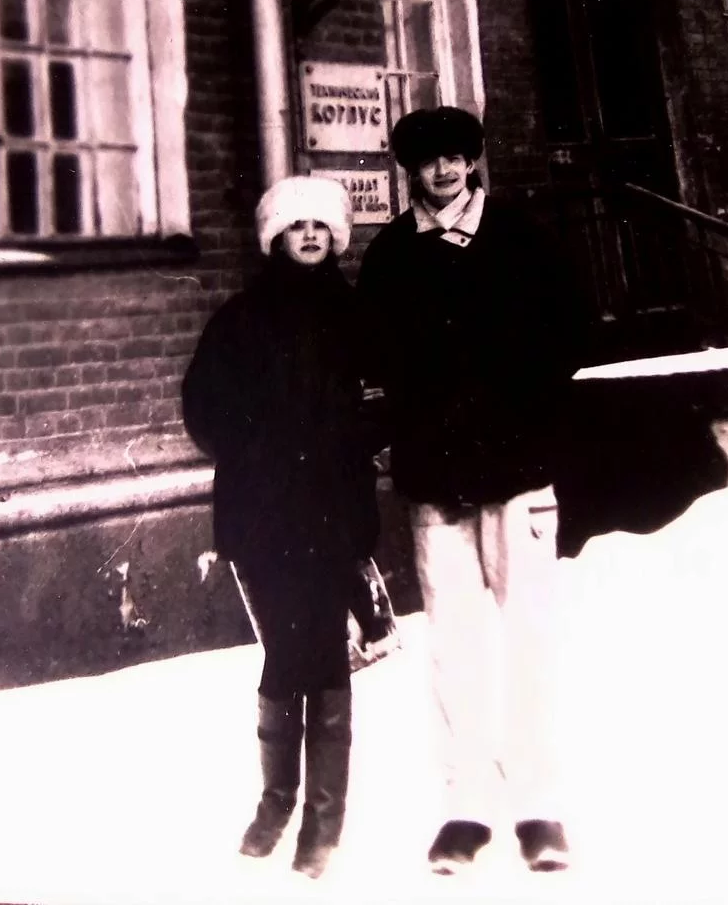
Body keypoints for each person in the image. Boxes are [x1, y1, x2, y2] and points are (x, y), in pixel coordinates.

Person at [356, 107, 586, 876]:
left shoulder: (520, 237)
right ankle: (465, 808)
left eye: (456, 156)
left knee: (528, 636)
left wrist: (518, 412)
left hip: (518, 471)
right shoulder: (392, 255)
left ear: (472, 159)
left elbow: (569, 333)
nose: (444, 171)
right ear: (409, 171)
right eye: (429, 160)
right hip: (438, 478)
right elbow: (378, 358)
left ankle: (538, 807)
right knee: (455, 644)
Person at [181, 175, 380, 880]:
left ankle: (322, 822)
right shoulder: (241, 319)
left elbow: (382, 396)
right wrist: (256, 446)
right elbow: (203, 406)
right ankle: (276, 800)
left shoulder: (354, 316)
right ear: (276, 237)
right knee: (281, 652)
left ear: (336, 237)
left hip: (331, 508)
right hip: (262, 509)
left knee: (323, 654)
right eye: (298, 227)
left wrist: (350, 438)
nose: (311, 237)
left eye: (322, 227)